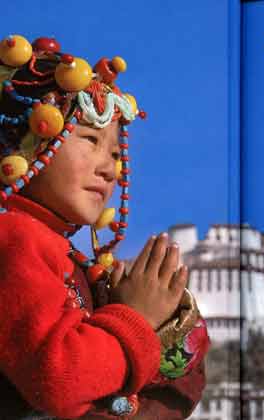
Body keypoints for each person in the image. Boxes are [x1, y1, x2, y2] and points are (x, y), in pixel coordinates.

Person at [0, 35, 210, 419]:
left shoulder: (66, 254)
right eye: (91, 140)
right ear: (27, 141)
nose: (109, 167)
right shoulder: (14, 238)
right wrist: (138, 319)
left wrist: (164, 321)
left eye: (115, 152)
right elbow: (57, 377)